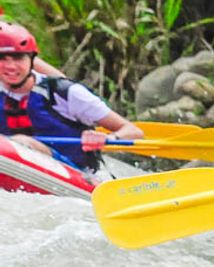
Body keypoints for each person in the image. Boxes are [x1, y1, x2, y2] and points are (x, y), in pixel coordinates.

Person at [0, 22, 142, 174]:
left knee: (22, 141)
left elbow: (134, 131)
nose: (11, 66)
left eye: (19, 58)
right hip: (12, 161)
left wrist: (109, 138)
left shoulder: (66, 92)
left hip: (72, 172)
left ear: (32, 60)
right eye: (2, 58)